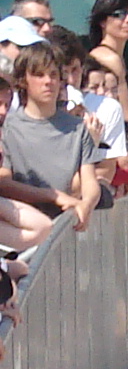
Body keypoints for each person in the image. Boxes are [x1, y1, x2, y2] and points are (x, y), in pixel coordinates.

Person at [3, 44, 105, 250]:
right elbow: (4, 183)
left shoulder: (78, 128)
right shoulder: (7, 127)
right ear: (23, 80)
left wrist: (86, 204)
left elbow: (89, 181)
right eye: (39, 75)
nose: (48, 81)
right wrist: (52, 195)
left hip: (65, 233)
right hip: (22, 233)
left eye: (53, 75)